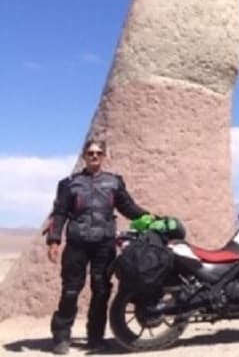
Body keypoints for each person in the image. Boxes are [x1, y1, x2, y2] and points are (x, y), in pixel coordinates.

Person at [45, 139, 150, 354]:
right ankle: (61, 337)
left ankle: (95, 338)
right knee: (71, 291)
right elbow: (60, 212)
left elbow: (128, 207)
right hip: (77, 245)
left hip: (104, 244)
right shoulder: (69, 183)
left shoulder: (114, 182)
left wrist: (151, 218)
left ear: (104, 156)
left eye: (98, 153)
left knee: (101, 291)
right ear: (84, 155)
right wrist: (54, 240)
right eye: (91, 153)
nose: (94, 156)